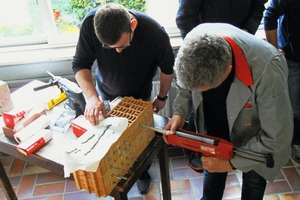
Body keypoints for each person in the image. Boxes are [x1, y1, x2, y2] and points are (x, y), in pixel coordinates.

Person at [166, 23, 293, 200]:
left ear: (228, 71)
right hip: (214, 132)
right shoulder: (193, 42)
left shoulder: (268, 70)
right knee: (211, 180)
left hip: (254, 141)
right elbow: (186, 87)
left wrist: (230, 164)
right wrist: (179, 113)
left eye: (205, 89)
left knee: (253, 184)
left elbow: (276, 137)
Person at [72, 3, 174, 194]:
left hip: (139, 95)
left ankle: (142, 173)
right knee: (111, 140)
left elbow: (167, 68)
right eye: (110, 47)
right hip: (104, 94)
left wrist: (161, 97)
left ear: (133, 24)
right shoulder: (90, 24)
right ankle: (115, 173)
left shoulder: (155, 34)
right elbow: (80, 63)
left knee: (139, 141)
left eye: (122, 45)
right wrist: (92, 98)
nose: (118, 51)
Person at [175, 0, 268, 172]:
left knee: (245, 116)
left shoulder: (266, 65)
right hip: (206, 56)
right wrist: (203, 52)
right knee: (210, 118)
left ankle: (240, 158)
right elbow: (184, 18)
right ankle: (205, 158)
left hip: (241, 51)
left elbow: (258, 6)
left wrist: (246, 31)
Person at [264, 0, 300, 163]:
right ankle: (296, 143)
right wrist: (275, 50)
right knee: (293, 106)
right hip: (293, 57)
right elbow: (270, 16)